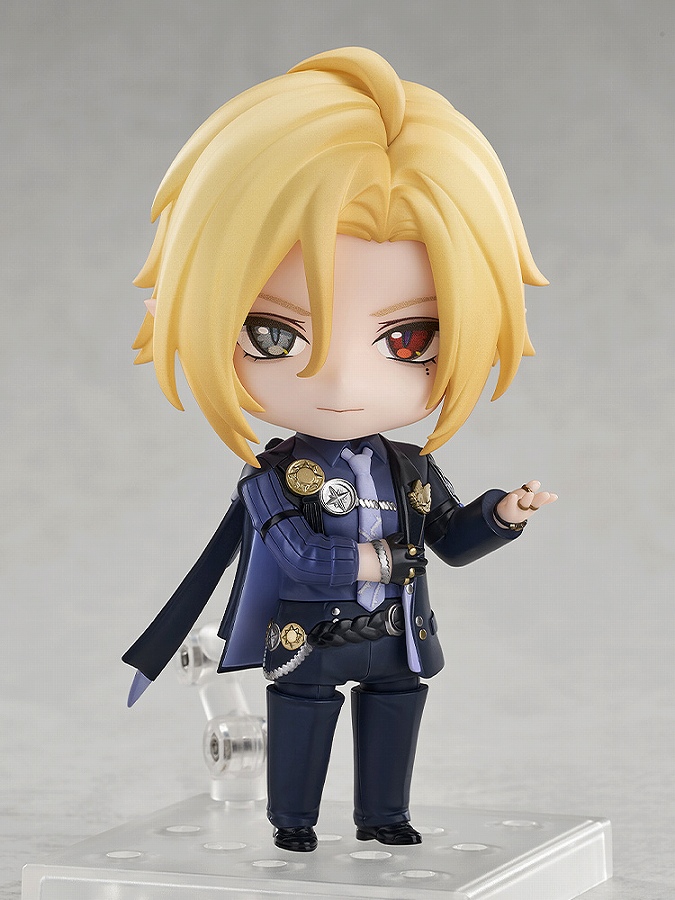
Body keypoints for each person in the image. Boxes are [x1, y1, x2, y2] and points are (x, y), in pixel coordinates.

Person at [123, 47, 556, 852]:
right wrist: (379, 561)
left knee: (395, 711)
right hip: (309, 639)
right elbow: (293, 554)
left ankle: (383, 815)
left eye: (408, 338)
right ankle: (292, 823)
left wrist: (501, 514)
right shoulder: (269, 476)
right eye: (273, 334)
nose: (339, 379)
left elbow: (449, 541)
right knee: (305, 719)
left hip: (397, 634)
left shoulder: (409, 467)